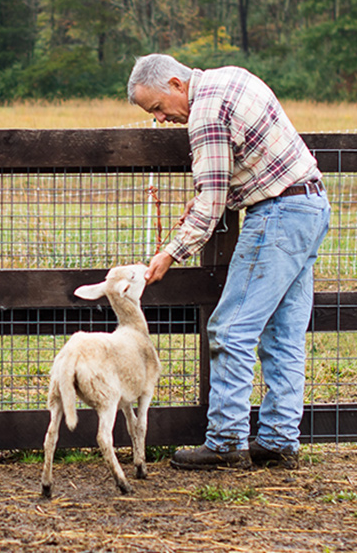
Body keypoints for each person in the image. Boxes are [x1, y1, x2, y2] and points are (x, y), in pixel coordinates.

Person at [127, 54, 330, 470]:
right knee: (283, 334)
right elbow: (239, 172)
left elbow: (213, 198)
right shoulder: (231, 79)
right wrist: (208, 199)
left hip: (278, 215)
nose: (162, 119)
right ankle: (278, 439)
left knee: (230, 329)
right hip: (310, 205)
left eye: (158, 108)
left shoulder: (204, 113)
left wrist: (170, 252)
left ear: (175, 84)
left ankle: (226, 441)